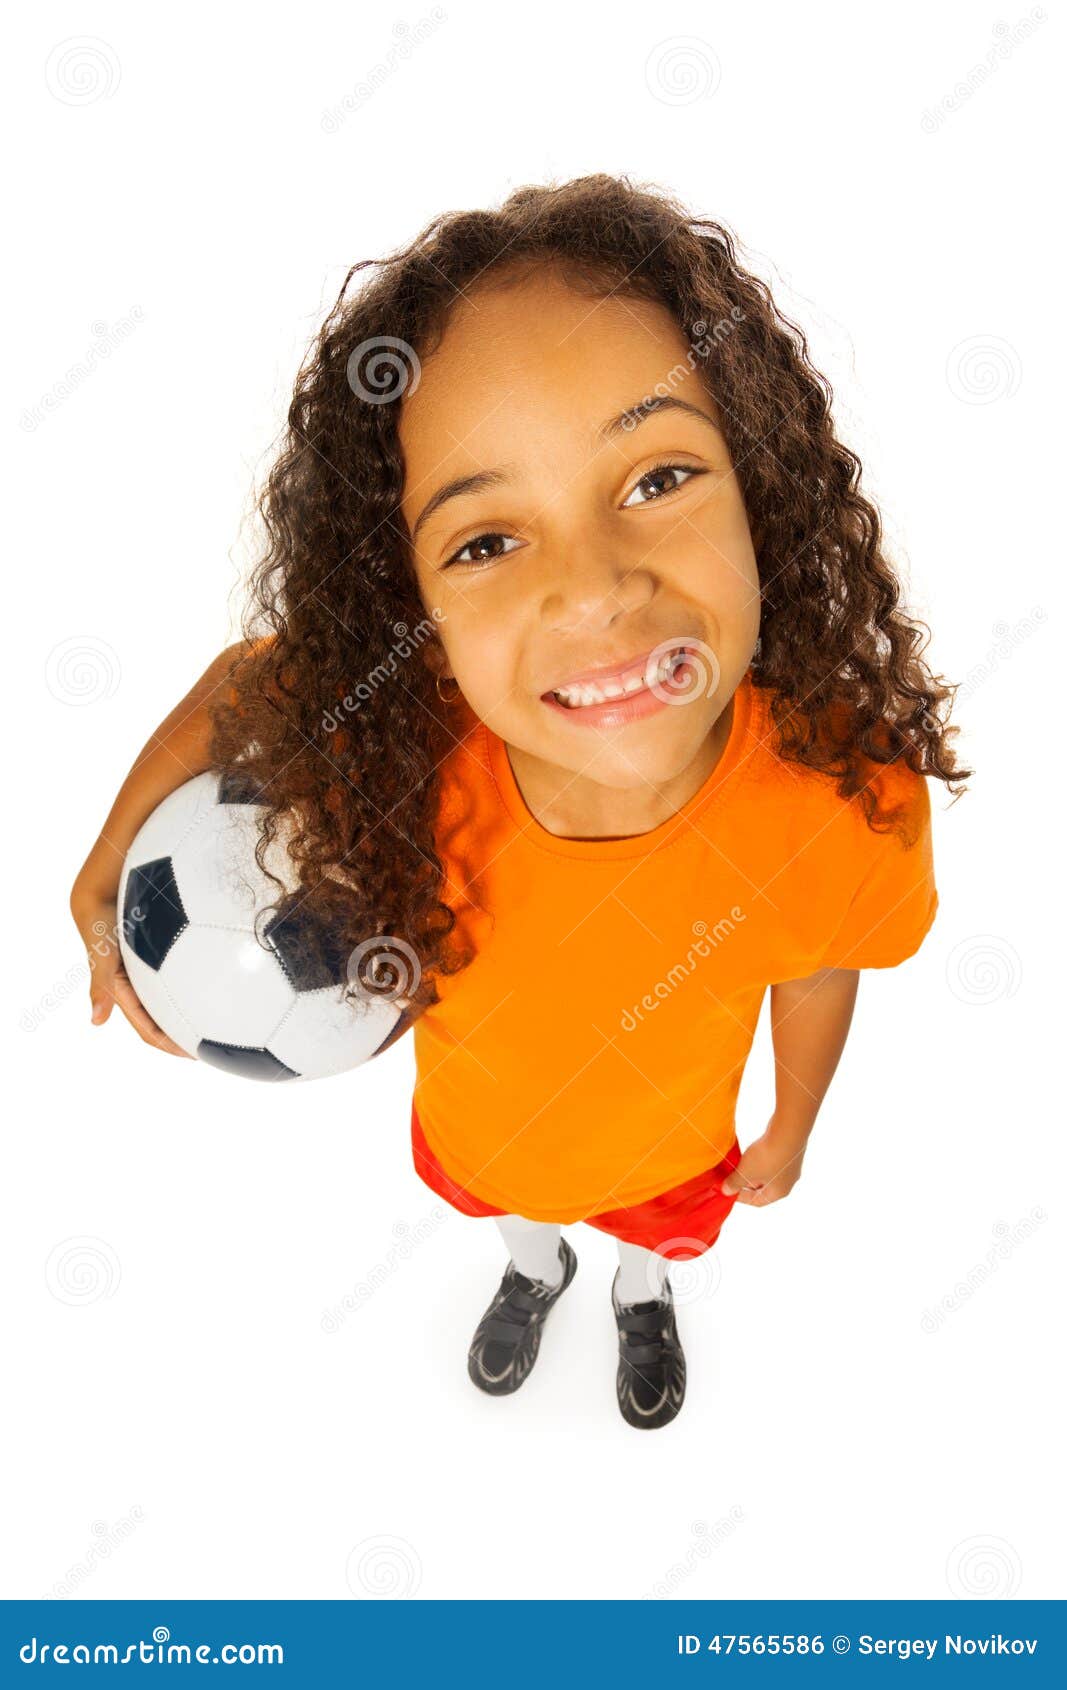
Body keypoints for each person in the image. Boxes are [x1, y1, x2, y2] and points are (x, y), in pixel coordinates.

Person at [70, 173, 970, 1431]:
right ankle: (532, 1269)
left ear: (757, 489)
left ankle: (639, 1295)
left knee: (650, 1236)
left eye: (656, 477)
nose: (592, 589)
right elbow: (246, 679)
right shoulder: (402, 738)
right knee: (520, 1216)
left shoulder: (841, 796)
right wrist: (107, 854)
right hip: (483, 1132)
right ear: (416, 619)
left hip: (671, 1151)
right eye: (484, 542)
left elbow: (820, 964)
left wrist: (792, 1118)